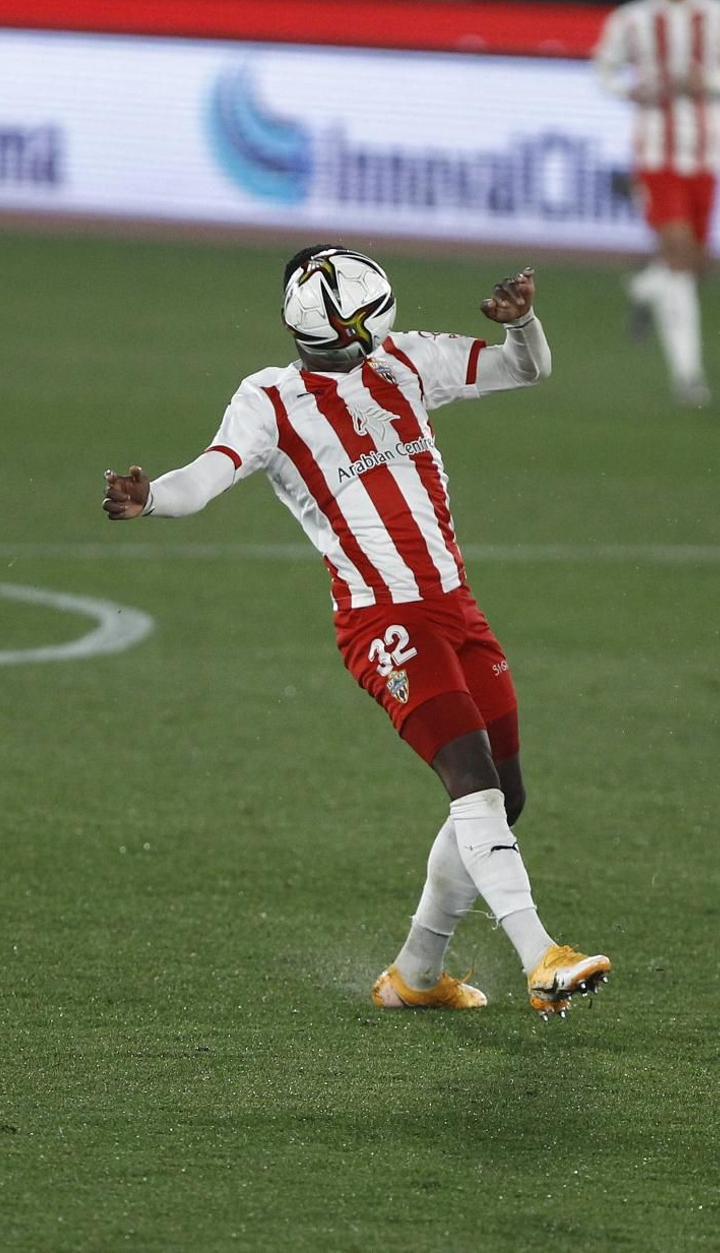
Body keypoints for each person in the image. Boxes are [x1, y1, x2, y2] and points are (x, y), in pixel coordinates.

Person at [101, 249, 609, 1021]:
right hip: (383, 620)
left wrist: (525, 322)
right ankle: (542, 957)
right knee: (472, 782)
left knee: (505, 794)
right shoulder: (269, 399)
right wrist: (152, 500)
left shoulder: (408, 362)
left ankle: (415, 975)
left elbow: (525, 369)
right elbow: (207, 476)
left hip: (456, 609)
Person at [593, 0, 720, 407]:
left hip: (706, 154)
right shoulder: (632, 19)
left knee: (693, 264)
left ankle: (646, 288)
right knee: (678, 257)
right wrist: (629, 90)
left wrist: (708, 81)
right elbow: (603, 69)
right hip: (655, 155)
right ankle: (689, 376)